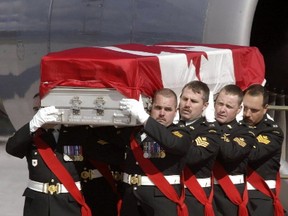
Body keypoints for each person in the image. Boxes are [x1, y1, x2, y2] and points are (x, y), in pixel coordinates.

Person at [6, 94, 91, 216]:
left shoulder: (78, 133)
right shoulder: (32, 134)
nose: (41, 113)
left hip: (68, 203)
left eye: (44, 108)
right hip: (37, 205)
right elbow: (11, 148)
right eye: (37, 110)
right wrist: (33, 124)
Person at [119, 88, 191, 216]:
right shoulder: (135, 132)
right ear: (151, 107)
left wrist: (144, 118)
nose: (162, 113)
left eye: (168, 109)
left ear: (176, 112)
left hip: (161, 198)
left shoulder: (180, 133)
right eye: (158, 108)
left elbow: (172, 143)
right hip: (131, 197)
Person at [177, 80, 221, 216]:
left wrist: (167, 138)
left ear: (205, 105)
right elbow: (151, 155)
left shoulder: (210, 132)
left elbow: (194, 157)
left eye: (194, 101)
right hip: (166, 192)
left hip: (194, 195)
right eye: (185, 99)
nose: (187, 104)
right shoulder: (169, 126)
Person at [242, 84, 285, 216]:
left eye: (254, 110)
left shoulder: (273, 132)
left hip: (259, 196)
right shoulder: (235, 125)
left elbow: (252, 155)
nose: (247, 114)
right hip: (233, 193)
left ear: (265, 109)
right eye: (245, 108)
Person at [212, 84, 255, 216]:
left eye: (229, 106)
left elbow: (230, 154)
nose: (222, 109)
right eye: (220, 104)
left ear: (239, 109)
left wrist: (212, 130)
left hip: (228, 195)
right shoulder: (201, 127)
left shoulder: (245, 133)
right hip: (200, 191)